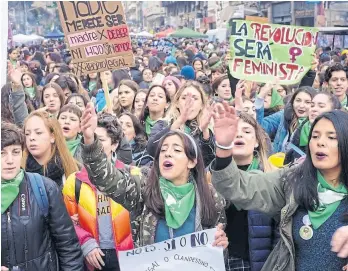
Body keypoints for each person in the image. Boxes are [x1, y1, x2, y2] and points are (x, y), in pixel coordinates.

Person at [210, 102, 348, 271]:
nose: (320, 142)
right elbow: (238, 186)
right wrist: (224, 148)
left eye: (331, 137)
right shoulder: (291, 180)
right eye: (315, 136)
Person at [78, 103, 228, 250]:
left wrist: (220, 246)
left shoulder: (212, 197)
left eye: (176, 150)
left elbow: (217, 255)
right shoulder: (143, 188)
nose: (167, 153)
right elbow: (107, 179)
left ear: (191, 162)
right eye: (163, 150)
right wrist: (90, 141)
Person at [1, 121, 84, 271]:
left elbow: (68, 247)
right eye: (2, 153)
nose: (10, 160)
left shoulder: (43, 188)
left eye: (15, 152)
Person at [62, 112, 135, 271]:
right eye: (92, 139)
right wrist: (86, 242)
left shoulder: (132, 176)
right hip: (91, 257)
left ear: (114, 144)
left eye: (100, 140)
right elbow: (66, 223)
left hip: (128, 256)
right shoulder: (74, 181)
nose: (95, 145)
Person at [223, 113, 278, 271]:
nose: (239, 134)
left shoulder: (272, 177)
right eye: (233, 131)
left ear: (256, 142)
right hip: (220, 260)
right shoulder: (212, 175)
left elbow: (280, 230)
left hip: (259, 264)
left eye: (246, 131)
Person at [147, 81, 215, 168]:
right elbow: (151, 149)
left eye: (195, 98)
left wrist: (204, 130)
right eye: (184, 98)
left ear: (202, 105)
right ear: (177, 103)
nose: (189, 102)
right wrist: (179, 122)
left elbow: (209, 162)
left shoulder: (207, 131)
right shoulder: (162, 124)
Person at [23, 111, 79, 188]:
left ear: (52, 137)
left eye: (38, 133)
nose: (31, 138)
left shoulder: (72, 170)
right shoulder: (19, 170)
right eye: (27, 134)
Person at [284, 92, 342, 164]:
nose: (314, 109)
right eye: (312, 105)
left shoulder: (342, 133)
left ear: (334, 111)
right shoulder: (300, 131)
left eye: (321, 106)